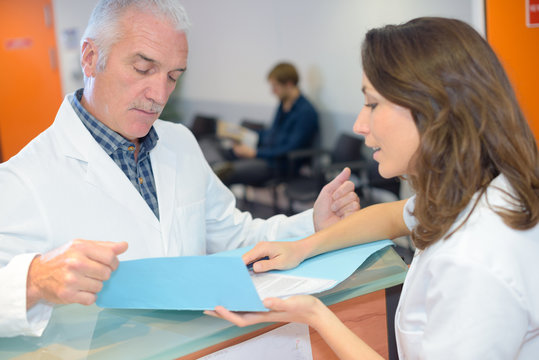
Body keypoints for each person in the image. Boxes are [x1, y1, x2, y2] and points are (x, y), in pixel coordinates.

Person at [0, 0, 360, 338]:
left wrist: (313, 224)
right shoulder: (23, 179)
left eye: (173, 76)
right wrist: (32, 282)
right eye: (143, 69)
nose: (159, 94)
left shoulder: (180, 143)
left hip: (199, 344)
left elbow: (235, 237)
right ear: (91, 58)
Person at [206, 17, 539, 359]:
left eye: (373, 103)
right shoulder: (480, 190)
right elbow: (393, 217)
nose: (359, 125)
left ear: (433, 108)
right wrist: (302, 248)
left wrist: (316, 315)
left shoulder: (474, 259)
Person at [210, 62, 319, 186]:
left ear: (288, 84)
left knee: (227, 172)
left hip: (278, 165)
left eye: (275, 86)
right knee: (215, 150)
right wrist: (243, 134)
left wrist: (255, 153)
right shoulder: (283, 105)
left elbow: (290, 149)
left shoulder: (306, 113)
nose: (272, 92)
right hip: (264, 155)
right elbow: (272, 133)